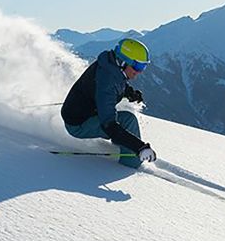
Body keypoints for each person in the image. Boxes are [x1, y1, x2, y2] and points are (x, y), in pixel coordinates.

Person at [60, 37, 156, 168]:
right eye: (138, 66)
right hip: (78, 125)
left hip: (84, 113)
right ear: (123, 62)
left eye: (143, 66)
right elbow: (109, 124)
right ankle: (130, 165)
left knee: (124, 120)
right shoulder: (107, 83)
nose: (139, 72)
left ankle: (122, 144)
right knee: (128, 120)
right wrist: (140, 147)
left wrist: (129, 92)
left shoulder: (110, 64)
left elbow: (118, 82)